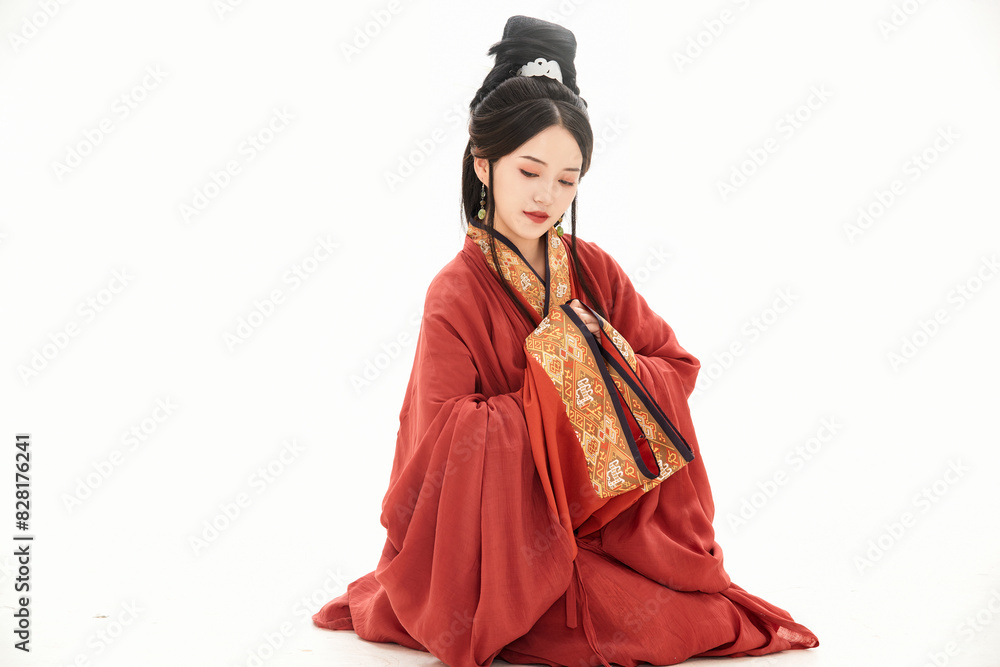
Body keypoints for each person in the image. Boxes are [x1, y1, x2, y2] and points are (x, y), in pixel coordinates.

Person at [312, 15, 820, 667]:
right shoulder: (456, 291)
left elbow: (674, 365)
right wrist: (560, 386)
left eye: (566, 177)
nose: (547, 195)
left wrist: (598, 365)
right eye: (529, 170)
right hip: (502, 550)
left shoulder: (594, 268)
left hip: (613, 530)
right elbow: (437, 445)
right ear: (483, 163)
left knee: (701, 615)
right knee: (632, 629)